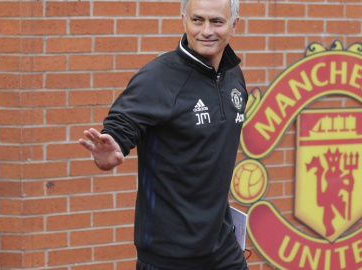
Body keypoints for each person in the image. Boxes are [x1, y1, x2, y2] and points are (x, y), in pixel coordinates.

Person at [78, 0, 248, 269]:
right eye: (197, 20)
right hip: (168, 254)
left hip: (223, 247)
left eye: (216, 21)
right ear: (184, 20)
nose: (206, 31)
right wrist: (111, 148)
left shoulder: (233, 76)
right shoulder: (157, 77)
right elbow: (122, 124)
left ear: (234, 25)